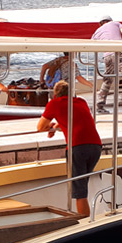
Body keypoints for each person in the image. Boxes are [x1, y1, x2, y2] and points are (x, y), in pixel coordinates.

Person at [37, 81, 103, 216]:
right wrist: (57, 127)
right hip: (95, 145)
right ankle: (86, 216)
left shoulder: (54, 104)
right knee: (82, 184)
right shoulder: (81, 102)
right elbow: (76, 121)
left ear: (55, 94)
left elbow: (40, 127)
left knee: (79, 191)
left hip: (77, 147)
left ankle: (85, 224)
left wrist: (52, 127)